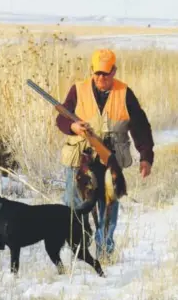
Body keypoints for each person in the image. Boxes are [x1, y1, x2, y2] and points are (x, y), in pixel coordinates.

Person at [56, 49, 154, 257]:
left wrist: (146, 157)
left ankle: (105, 250)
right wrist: (73, 128)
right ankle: (77, 247)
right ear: (91, 70)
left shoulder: (125, 93)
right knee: (73, 204)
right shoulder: (78, 90)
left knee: (109, 204)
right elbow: (61, 119)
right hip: (80, 158)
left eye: (106, 73)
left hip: (110, 160)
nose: (101, 78)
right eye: (97, 73)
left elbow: (140, 126)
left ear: (114, 71)